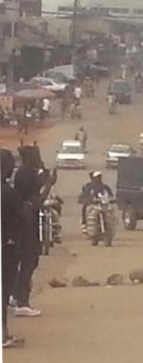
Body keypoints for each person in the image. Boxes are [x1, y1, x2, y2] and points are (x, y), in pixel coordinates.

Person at [12, 146, 45, 317]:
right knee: (29, 262)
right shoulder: (26, 175)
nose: (39, 158)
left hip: (26, 223)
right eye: (36, 155)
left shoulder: (26, 173)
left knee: (27, 262)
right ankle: (22, 302)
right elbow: (36, 203)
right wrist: (47, 185)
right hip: (27, 225)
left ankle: (16, 296)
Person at [1, 149, 24, 347]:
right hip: (6, 248)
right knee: (3, 292)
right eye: (10, 166)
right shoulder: (7, 192)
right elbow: (25, 214)